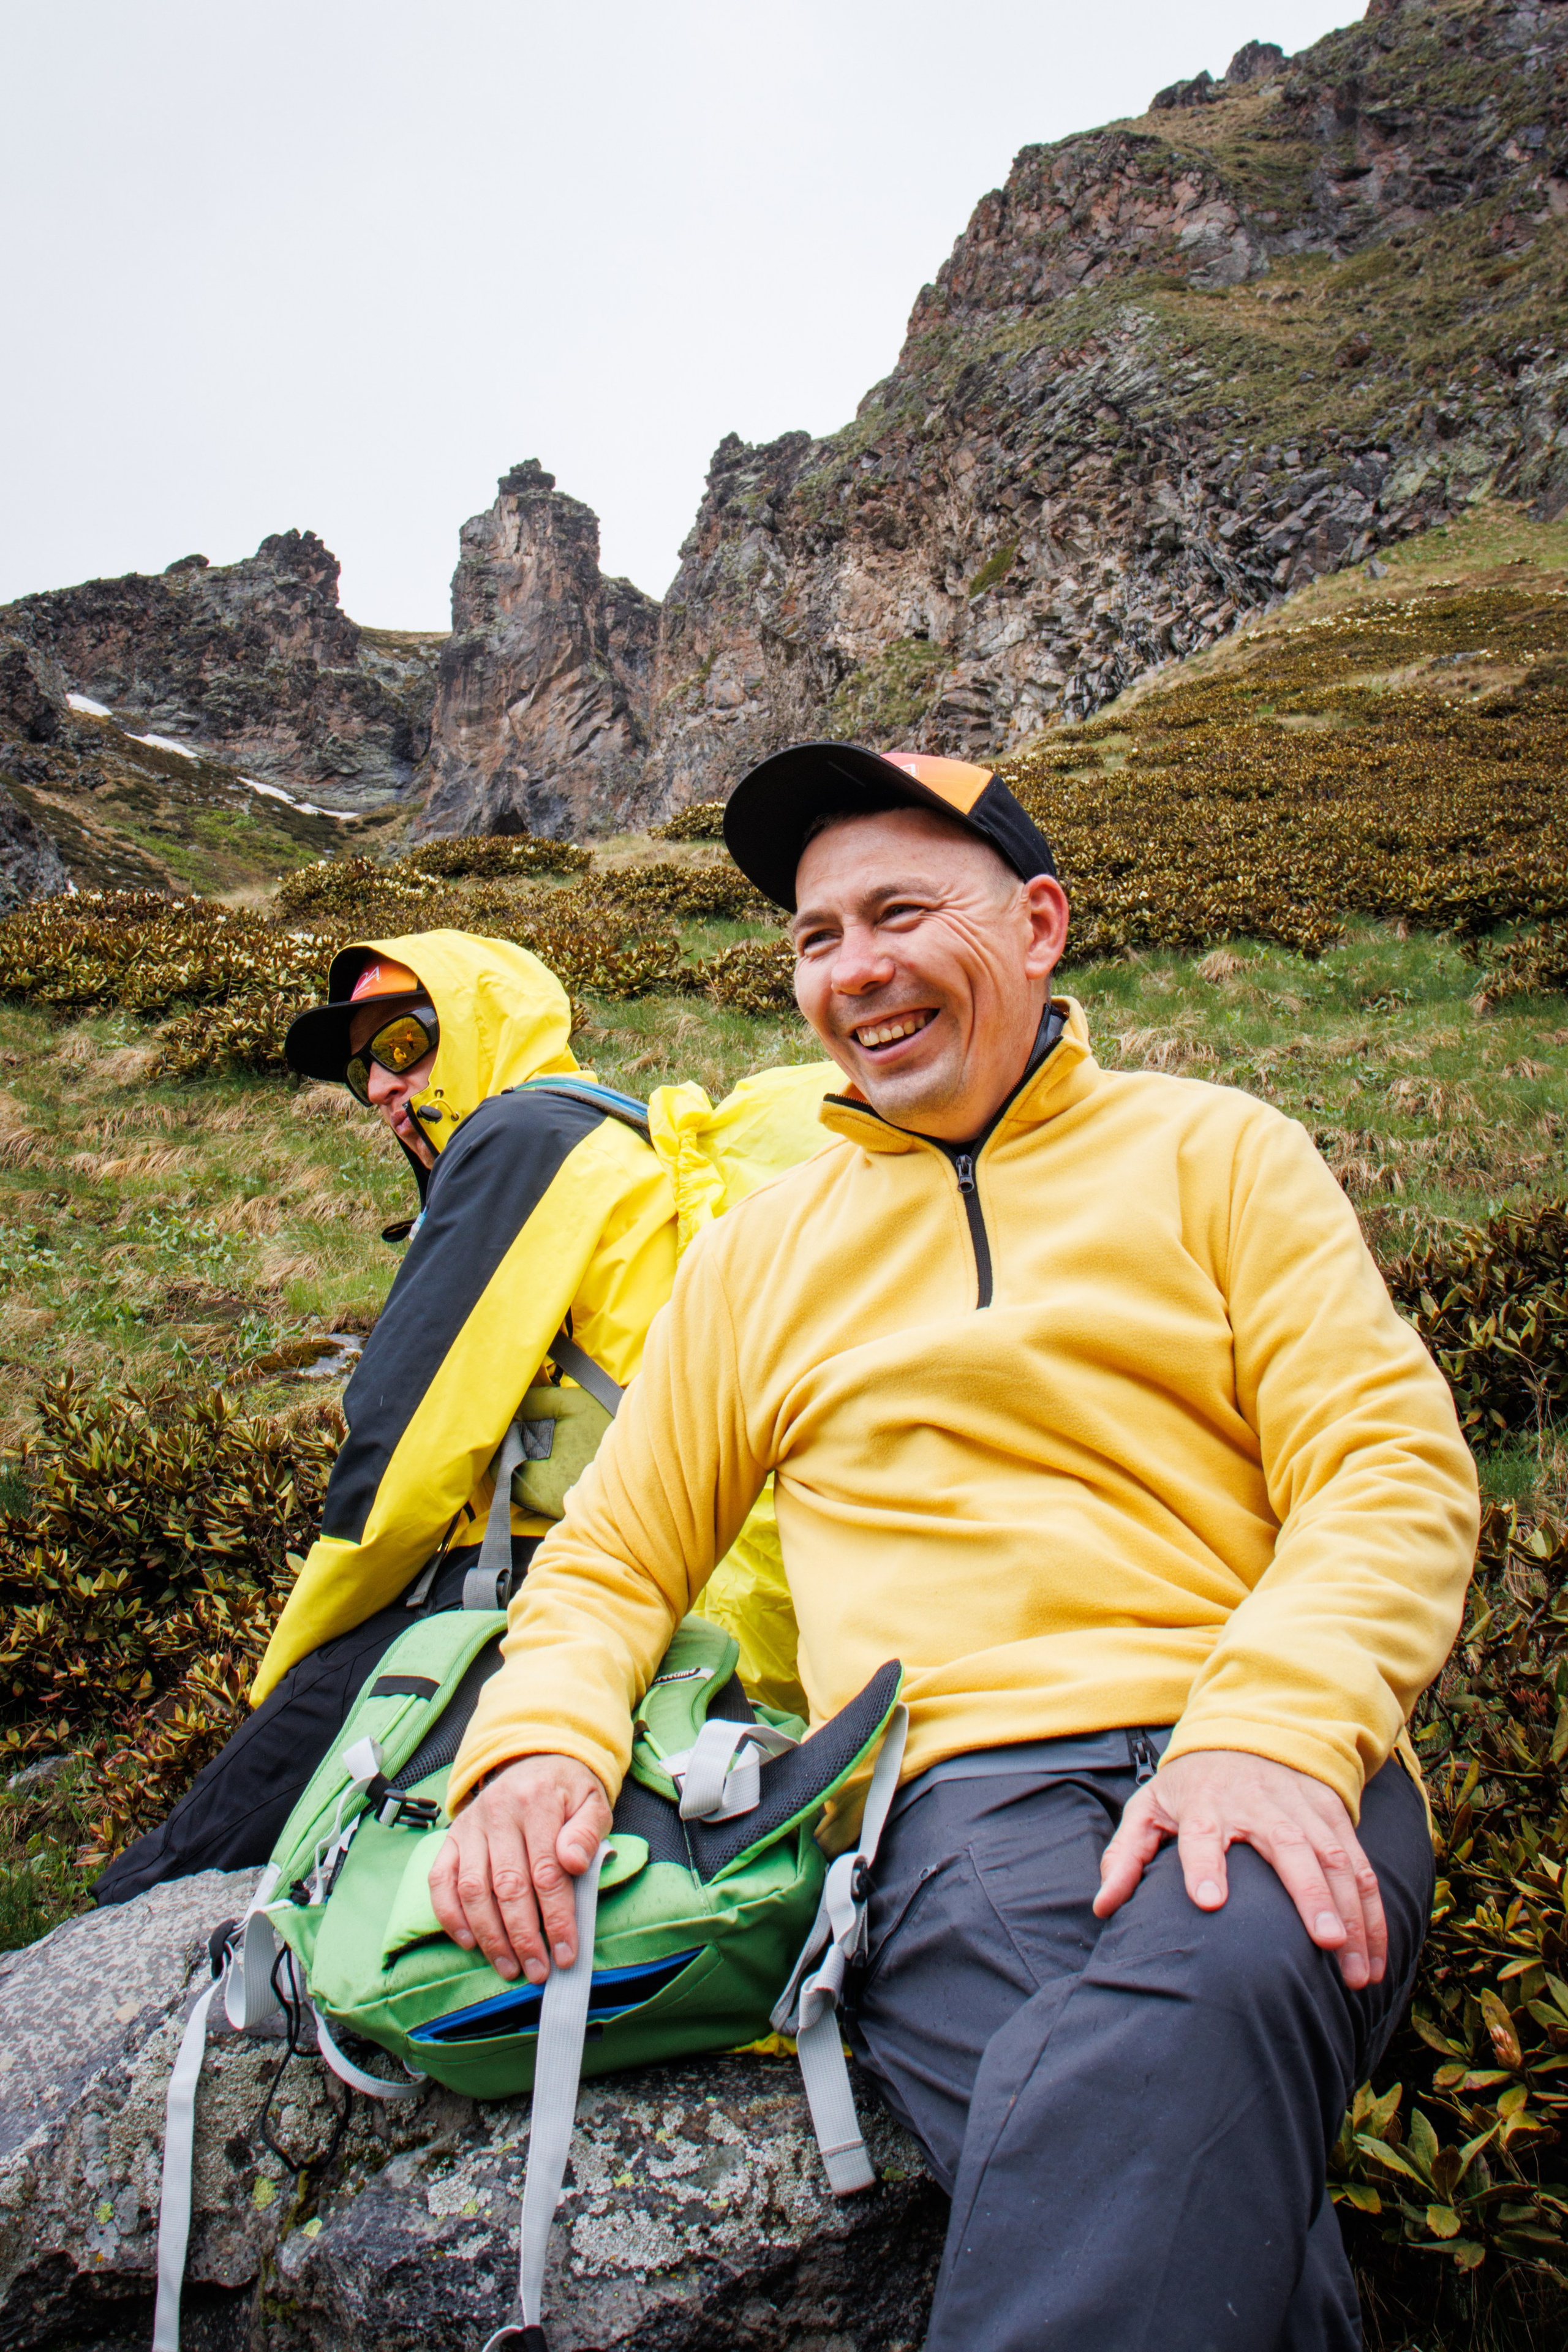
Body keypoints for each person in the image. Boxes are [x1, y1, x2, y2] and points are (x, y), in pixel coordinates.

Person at [427, 747, 1479, 2351]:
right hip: (968, 1807)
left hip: (1267, 1752)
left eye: (900, 912)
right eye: (815, 937)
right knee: (1164, 2150)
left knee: (1190, 2009)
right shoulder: (757, 1260)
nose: (856, 971)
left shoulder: (1222, 1155)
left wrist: (1269, 1735)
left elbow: (1388, 1469)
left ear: (1040, 923)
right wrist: (540, 1743)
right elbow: (617, 1559)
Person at [96, 927, 822, 1903]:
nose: (386, 1085)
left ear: (484, 1023)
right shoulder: (601, 1131)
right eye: (366, 1071)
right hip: (677, 1579)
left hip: (565, 1581)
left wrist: (294, 1666)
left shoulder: (519, 1140)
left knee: (189, 1853)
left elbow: (401, 1447)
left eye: (406, 1044)